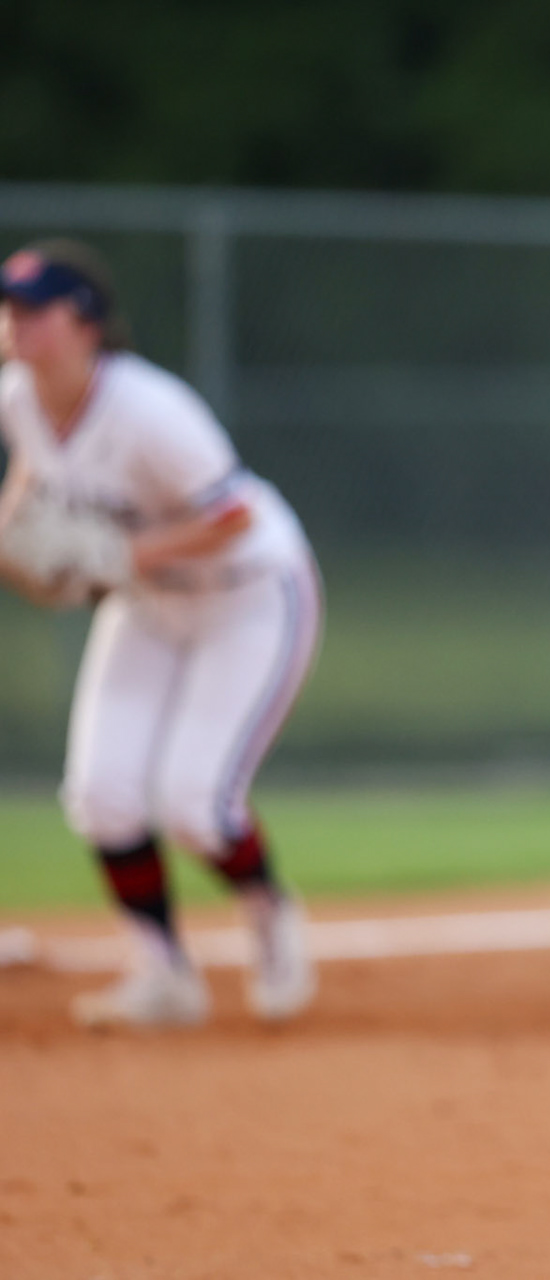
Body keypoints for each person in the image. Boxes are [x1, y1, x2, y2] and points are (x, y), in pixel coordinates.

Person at [0, 239, 323, 1029]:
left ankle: (271, 915)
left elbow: (232, 515)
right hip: (148, 604)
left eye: (35, 309)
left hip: (247, 594)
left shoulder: (149, 408)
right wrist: (17, 545)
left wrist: (117, 553)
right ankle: (164, 974)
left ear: (85, 323)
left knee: (196, 806)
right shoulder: (16, 397)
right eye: (10, 309)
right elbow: (35, 476)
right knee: (103, 796)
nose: (17, 324)